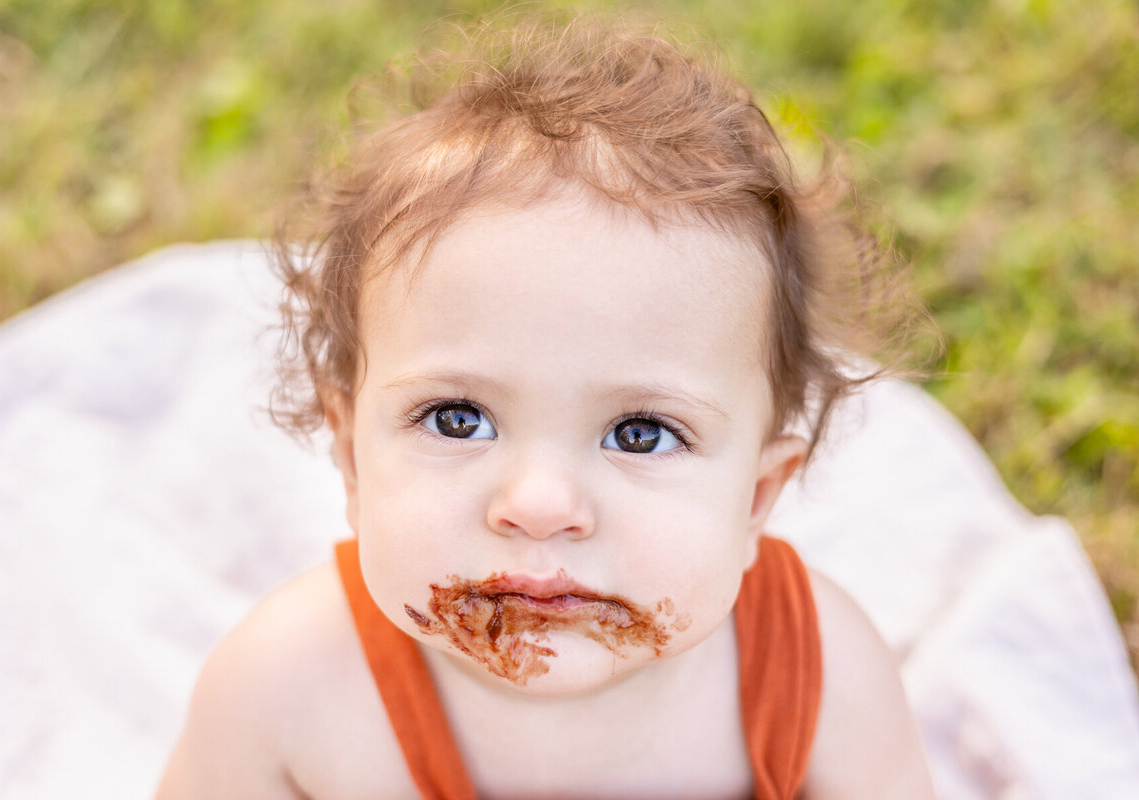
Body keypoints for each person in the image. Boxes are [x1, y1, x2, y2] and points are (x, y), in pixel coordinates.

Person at [156, 13, 935, 799]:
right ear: (354, 459)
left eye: (641, 433)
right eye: (458, 419)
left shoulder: (821, 679)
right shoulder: (286, 692)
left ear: (757, 497)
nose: (539, 505)